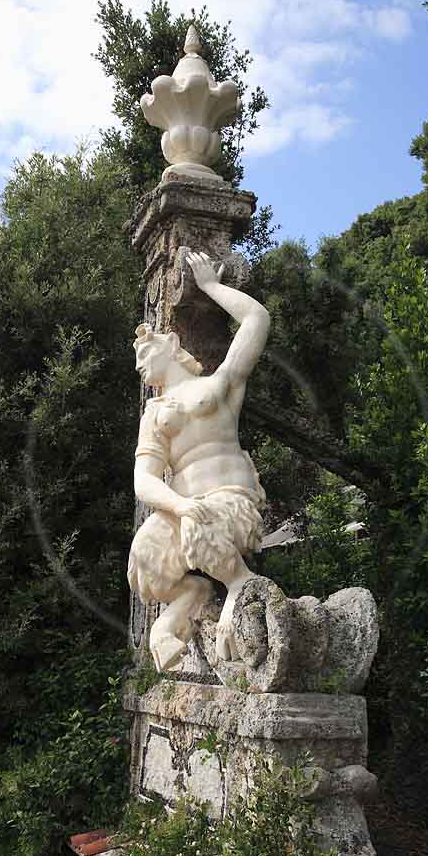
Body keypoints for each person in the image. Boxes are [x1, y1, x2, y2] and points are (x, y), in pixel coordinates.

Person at [128, 251, 270, 672]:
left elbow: (256, 320)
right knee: (144, 556)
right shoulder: (153, 416)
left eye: (143, 354)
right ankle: (187, 604)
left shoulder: (220, 383)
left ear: (170, 345)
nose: (138, 366)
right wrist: (182, 503)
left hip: (230, 500)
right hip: (189, 509)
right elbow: (143, 480)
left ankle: (239, 585)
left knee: (197, 521)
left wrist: (210, 287)